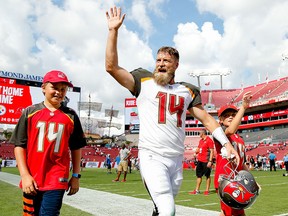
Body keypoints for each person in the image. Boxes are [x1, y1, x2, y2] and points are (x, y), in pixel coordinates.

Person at [105, 6, 239, 215]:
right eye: (158, 60)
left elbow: (207, 120)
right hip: (152, 156)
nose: (160, 64)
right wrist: (113, 32)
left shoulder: (187, 90)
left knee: (161, 209)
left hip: (176, 159)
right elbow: (111, 67)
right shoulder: (143, 80)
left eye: (166, 61)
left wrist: (226, 144)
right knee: (168, 210)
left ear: (176, 65)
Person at [9, 70, 87, 216]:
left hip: (57, 178)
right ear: (43, 88)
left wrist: (75, 176)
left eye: (63, 89)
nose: (59, 92)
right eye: (55, 87)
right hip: (32, 178)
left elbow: (76, 148)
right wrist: (25, 175)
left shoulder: (71, 116)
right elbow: (19, 146)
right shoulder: (29, 112)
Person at [214, 91, 257, 216]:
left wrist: (252, 180)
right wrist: (243, 107)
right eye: (227, 115)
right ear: (220, 120)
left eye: (233, 114)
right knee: (235, 213)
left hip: (237, 180)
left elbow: (241, 164)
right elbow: (231, 129)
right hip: (225, 179)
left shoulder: (240, 140)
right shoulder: (220, 134)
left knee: (228, 212)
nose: (231, 117)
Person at [189, 129, 214, 195]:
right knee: (199, 175)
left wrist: (210, 161)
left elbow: (212, 151)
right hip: (200, 160)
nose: (198, 134)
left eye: (199, 133)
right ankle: (197, 190)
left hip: (206, 161)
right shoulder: (201, 141)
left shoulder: (209, 140)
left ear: (202, 133)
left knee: (207, 175)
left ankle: (207, 190)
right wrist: (195, 153)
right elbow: (199, 149)